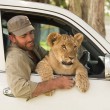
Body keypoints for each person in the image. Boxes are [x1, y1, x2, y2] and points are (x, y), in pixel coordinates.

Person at [6, 15, 75, 100]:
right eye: (23, 36)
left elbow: (49, 57)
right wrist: (56, 83)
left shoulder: (30, 46)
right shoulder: (15, 57)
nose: (30, 38)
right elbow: (19, 89)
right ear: (12, 38)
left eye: (31, 32)